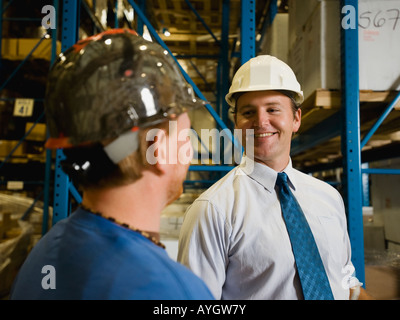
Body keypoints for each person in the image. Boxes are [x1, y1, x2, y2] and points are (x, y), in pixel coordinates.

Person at [10, 29, 214, 300]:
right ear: (158, 149)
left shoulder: (45, 253)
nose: (189, 155)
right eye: (185, 139)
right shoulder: (172, 291)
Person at [178, 55, 373, 300]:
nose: (260, 121)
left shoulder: (328, 197)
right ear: (236, 123)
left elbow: (345, 280)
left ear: (296, 119)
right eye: (248, 112)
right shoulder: (213, 210)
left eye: (273, 109)